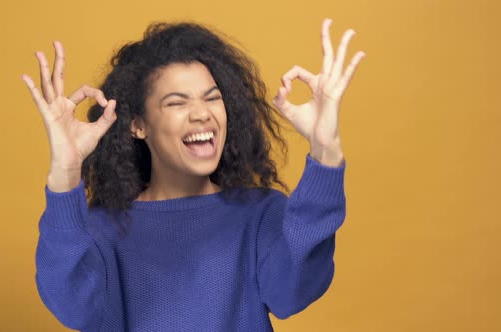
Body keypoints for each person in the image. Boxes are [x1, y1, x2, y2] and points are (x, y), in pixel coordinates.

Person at [22, 18, 364, 332]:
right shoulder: (101, 230)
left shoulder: (259, 215)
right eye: (176, 103)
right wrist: (66, 170)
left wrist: (325, 148)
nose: (202, 114)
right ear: (138, 125)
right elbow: (73, 307)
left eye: (212, 98)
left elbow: (293, 292)